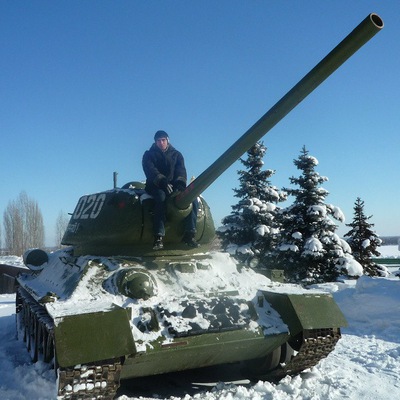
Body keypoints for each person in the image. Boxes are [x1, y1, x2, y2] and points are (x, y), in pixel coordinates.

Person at [142, 130, 199, 250]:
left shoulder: (176, 154)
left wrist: (180, 183)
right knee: (161, 198)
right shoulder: (149, 155)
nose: (161, 142)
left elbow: (181, 170)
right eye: (158, 140)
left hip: (173, 186)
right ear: (155, 142)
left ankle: (190, 233)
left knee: (192, 198)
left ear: (168, 140)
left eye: (163, 140)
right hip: (155, 186)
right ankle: (158, 236)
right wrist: (161, 181)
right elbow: (150, 170)